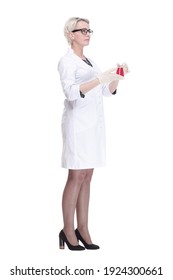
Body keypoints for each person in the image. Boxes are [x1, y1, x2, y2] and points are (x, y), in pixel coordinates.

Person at [57, 17, 128, 251]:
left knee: (87, 176)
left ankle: (84, 228)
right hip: (77, 126)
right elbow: (70, 92)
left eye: (89, 30)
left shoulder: (88, 61)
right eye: (83, 30)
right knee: (76, 176)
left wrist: (116, 76)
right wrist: (99, 78)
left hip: (93, 127)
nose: (88, 33)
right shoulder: (67, 62)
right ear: (71, 34)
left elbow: (106, 92)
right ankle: (68, 230)